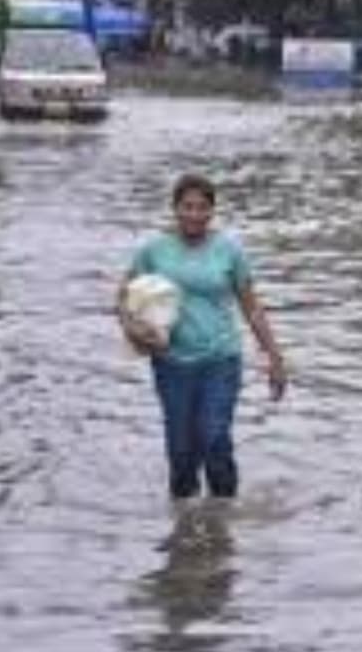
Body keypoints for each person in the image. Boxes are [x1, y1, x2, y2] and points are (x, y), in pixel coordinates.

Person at [118, 173, 287, 500]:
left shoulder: (229, 250)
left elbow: (252, 307)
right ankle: (185, 530)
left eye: (202, 208)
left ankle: (223, 515)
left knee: (214, 438)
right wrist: (134, 330)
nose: (194, 215)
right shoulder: (154, 251)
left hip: (220, 359)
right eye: (187, 207)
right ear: (175, 209)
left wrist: (275, 358)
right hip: (171, 363)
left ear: (212, 211)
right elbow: (123, 297)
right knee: (181, 454)